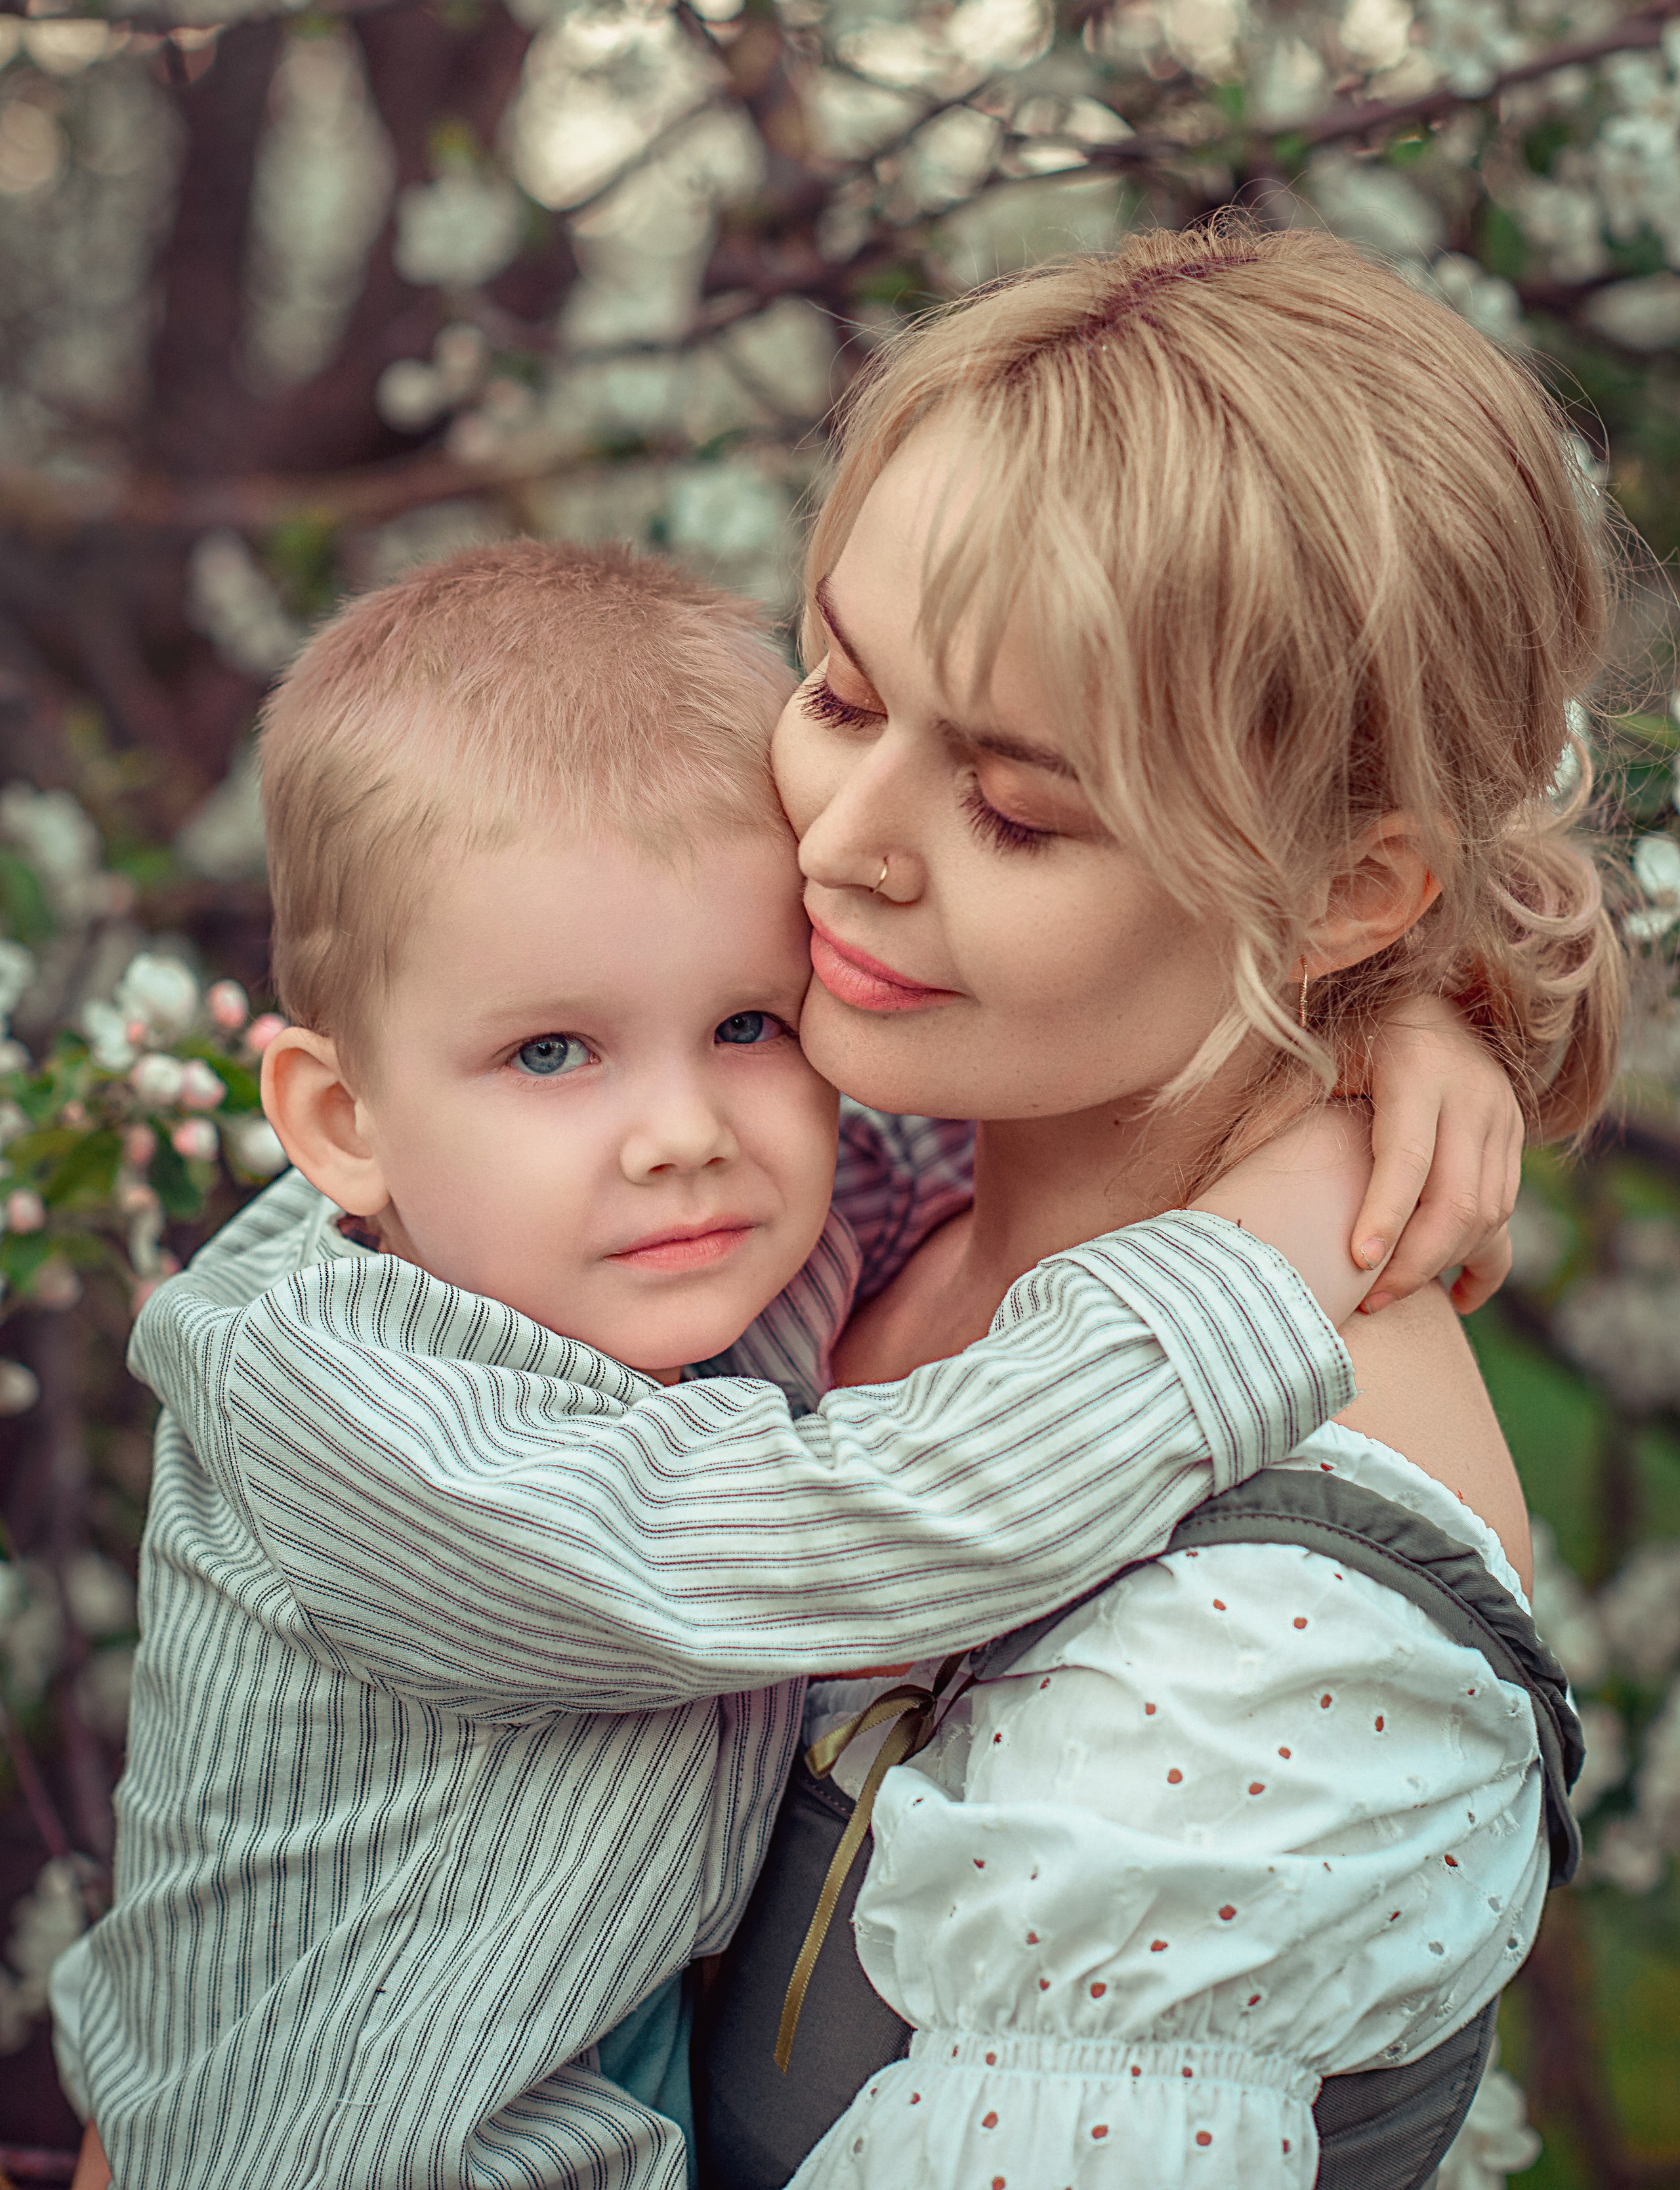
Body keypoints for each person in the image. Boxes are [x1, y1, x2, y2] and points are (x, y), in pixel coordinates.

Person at [50, 541, 1516, 2190]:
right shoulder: (354, 1419)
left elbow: (1000, 1133)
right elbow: (881, 1517)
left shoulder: (669, 1237)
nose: (682, 1133)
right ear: (340, 1120)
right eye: (552, 1051)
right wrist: (1275, 1247)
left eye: (748, 1023)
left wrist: (1369, 1026)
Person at [698, 221, 1621, 2189]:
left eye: (1016, 810)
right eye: (840, 694)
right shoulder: (875, 1166)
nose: (843, 845)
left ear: (1346, 894)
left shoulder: (1270, 1665)